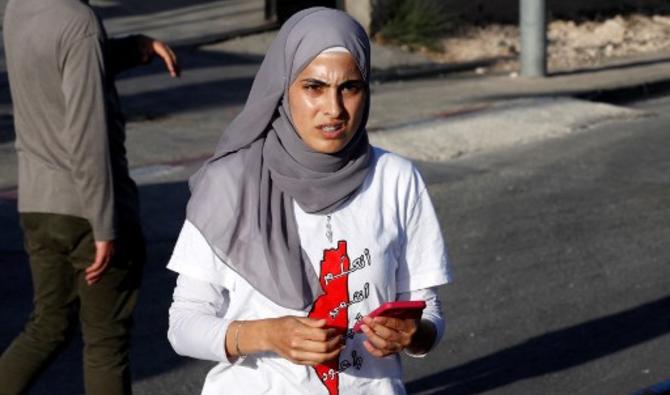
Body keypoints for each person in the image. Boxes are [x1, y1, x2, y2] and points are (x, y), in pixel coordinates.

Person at [166, 7, 449, 395]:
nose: (333, 109)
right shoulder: (231, 183)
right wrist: (265, 334)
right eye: (314, 87)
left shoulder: (396, 179)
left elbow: (426, 308)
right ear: (283, 88)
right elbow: (183, 326)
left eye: (350, 87)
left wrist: (413, 335)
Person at [0, 0, 180, 394]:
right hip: (86, 209)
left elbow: (63, 65)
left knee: (47, 326)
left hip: (38, 203)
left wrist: (135, 47)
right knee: (105, 344)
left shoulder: (18, 9)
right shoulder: (77, 21)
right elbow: (88, 132)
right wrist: (105, 223)